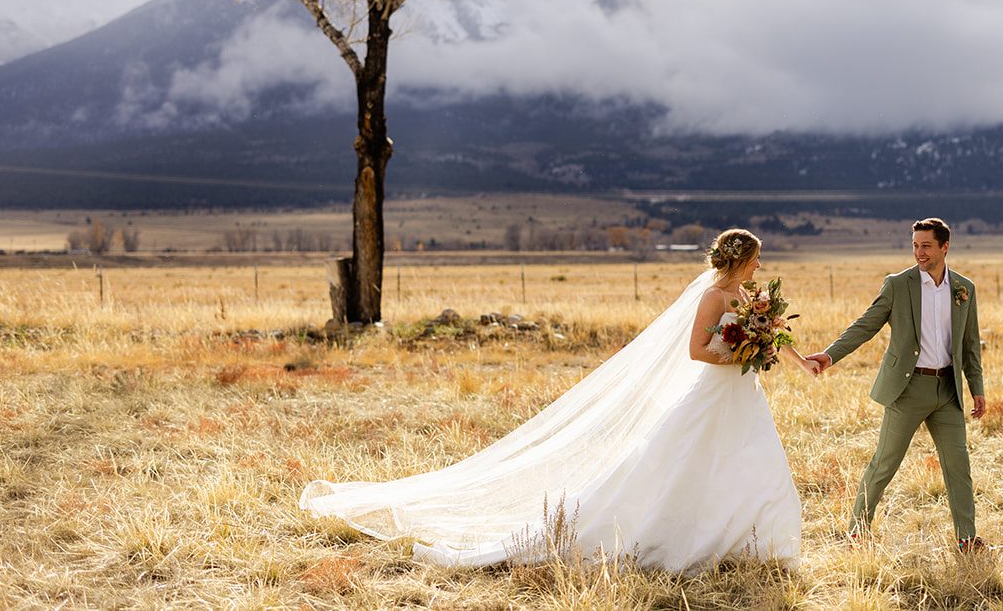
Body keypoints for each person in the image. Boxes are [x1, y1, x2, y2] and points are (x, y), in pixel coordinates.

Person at [300, 228, 821, 571]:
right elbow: (697, 351)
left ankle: (758, 545)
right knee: (678, 463)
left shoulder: (754, 298)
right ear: (741, 259)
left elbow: (775, 336)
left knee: (754, 463)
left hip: (744, 397)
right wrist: (740, 355)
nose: (760, 268)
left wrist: (799, 361)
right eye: (756, 260)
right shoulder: (712, 297)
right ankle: (672, 536)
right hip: (714, 391)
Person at [806, 217, 987, 551]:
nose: (919, 252)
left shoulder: (964, 289)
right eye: (915, 245)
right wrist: (830, 356)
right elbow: (865, 325)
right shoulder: (897, 284)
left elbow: (970, 344)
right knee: (884, 464)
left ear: (945, 246)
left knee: (959, 466)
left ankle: (966, 538)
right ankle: (857, 533)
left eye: (926, 246)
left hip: (948, 392)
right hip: (908, 389)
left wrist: (977, 388)